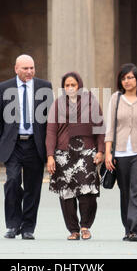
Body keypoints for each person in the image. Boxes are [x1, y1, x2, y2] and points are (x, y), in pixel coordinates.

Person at [0, 54, 53, 240]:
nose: (29, 72)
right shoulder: (4, 88)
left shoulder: (44, 87)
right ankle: (12, 224)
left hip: (35, 145)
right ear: (16, 69)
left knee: (33, 188)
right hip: (13, 144)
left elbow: (50, 122)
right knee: (12, 181)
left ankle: (28, 228)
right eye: (25, 68)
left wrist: (52, 149)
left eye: (32, 68)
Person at [46, 72, 104, 240]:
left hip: (87, 152)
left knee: (87, 191)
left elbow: (100, 128)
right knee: (66, 193)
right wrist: (50, 156)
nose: (70, 88)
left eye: (73, 85)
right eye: (67, 85)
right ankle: (73, 230)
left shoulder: (91, 102)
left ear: (79, 85)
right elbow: (50, 132)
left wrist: (101, 150)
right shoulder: (57, 105)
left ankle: (85, 226)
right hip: (63, 154)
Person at [104, 63, 137, 242]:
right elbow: (110, 127)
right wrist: (107, 153)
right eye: (124, 78)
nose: (127, 81)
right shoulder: (116, 98)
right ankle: (127, 228)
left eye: (130, 77)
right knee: (125, 191)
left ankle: (134, 228)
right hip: (120, 153)